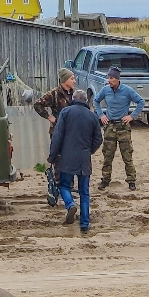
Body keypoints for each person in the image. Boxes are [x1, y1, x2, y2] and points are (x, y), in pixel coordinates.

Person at [48, 88, 102, 234]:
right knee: (84, 192)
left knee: (64, 185)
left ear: (74, 98)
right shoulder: (92, 117)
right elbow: (98, 139)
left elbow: (58, 136)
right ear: (85, 101)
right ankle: (84, 224)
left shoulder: (66, 113)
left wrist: (52, 156)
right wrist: (88, 150)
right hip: (84, 159)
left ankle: (70, 204)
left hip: (67, 157)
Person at [94, 66, 144, 191]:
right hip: (110, 126)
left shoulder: (127, 90)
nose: (109, 80)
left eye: (111, 78)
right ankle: (105, 180)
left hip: (123, 127)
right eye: (108, 78)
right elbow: (96, 101)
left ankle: (131, 180)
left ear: (117, 79)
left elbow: (141, 101)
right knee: (107, 155)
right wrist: (101, 115)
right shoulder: (105, 90)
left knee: (127, 155)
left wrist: (132, 116)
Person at [34, 68, 75, 206]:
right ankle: (57, 188)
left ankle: (69, 187)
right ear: (64, 80)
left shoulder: (74, 94)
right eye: (72, 78)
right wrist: (49, 117)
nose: (74, 80)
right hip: (58, 131)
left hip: (72, 132)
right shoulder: (55, 94)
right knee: (58, 161)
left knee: (71, 159)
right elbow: (37, 104)